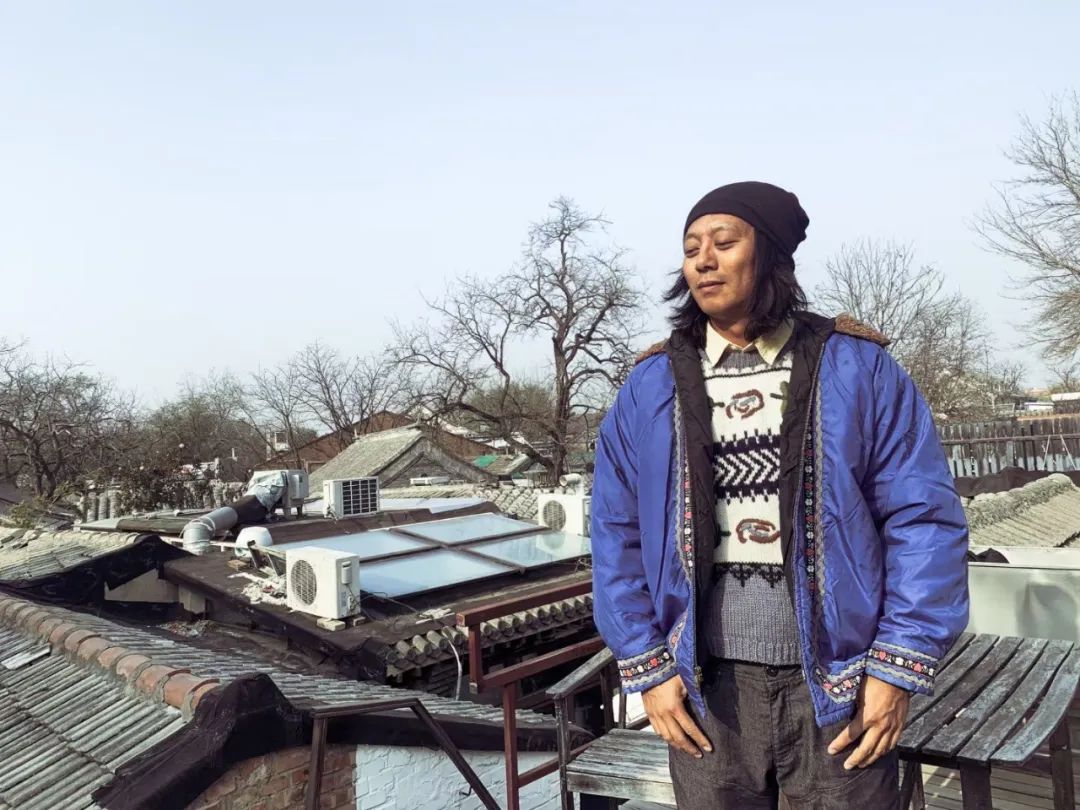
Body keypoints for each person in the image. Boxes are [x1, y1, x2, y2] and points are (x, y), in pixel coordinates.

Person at [590, 181, 969, 809]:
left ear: (769, 255)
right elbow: (616, 532)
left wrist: (896, 667)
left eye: (723, 242)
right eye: (691, 247)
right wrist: (648, 668)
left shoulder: (857, 368)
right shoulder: (650, 387)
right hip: (706, 693)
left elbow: (922, 521)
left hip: (843, 686)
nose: (703, 261)